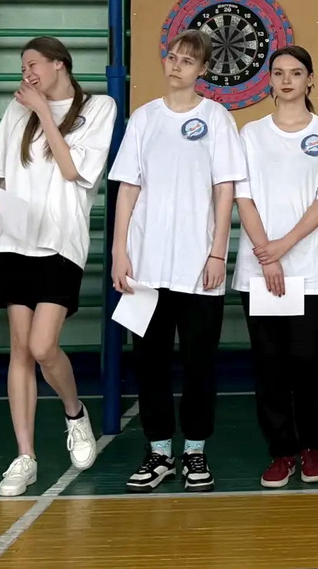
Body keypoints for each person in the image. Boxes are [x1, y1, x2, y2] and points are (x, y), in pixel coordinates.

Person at [109, 29, 247, 492]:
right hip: (146, 267)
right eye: (172, 57)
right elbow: (129, 187)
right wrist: (120, 251)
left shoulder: (216, 118)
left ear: (203, 70)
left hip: (198, 265)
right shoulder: (145, 117)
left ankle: (195, 451)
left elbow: (224, 189)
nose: (177, 66)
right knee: (149, 363)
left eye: (188, 61)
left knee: (198, 364)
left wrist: (217, 252)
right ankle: (159, 452)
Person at [0, 36, 113, 496]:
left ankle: (75, 412)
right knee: (20, 349)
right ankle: (25, 457)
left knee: (42, 346)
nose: (27, 74)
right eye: (23, 68)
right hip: (14, 239)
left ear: (59, 64)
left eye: (33, 64)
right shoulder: (17, 109)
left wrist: (42, 111)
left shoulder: (98, 107)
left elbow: (74, 171)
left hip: (61, 242)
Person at [234, 46, 318, 488]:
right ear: (269, 81)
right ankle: (281, 451)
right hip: (261, 269)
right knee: (271, 365)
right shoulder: (251, 134)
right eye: (278, 73)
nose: (286, 80)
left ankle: (310, 447)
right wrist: (267, 253)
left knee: (308, 362)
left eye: (296, 73)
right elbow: (243, 196)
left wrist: (283, 245)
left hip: (311, 268)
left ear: (309, 80)